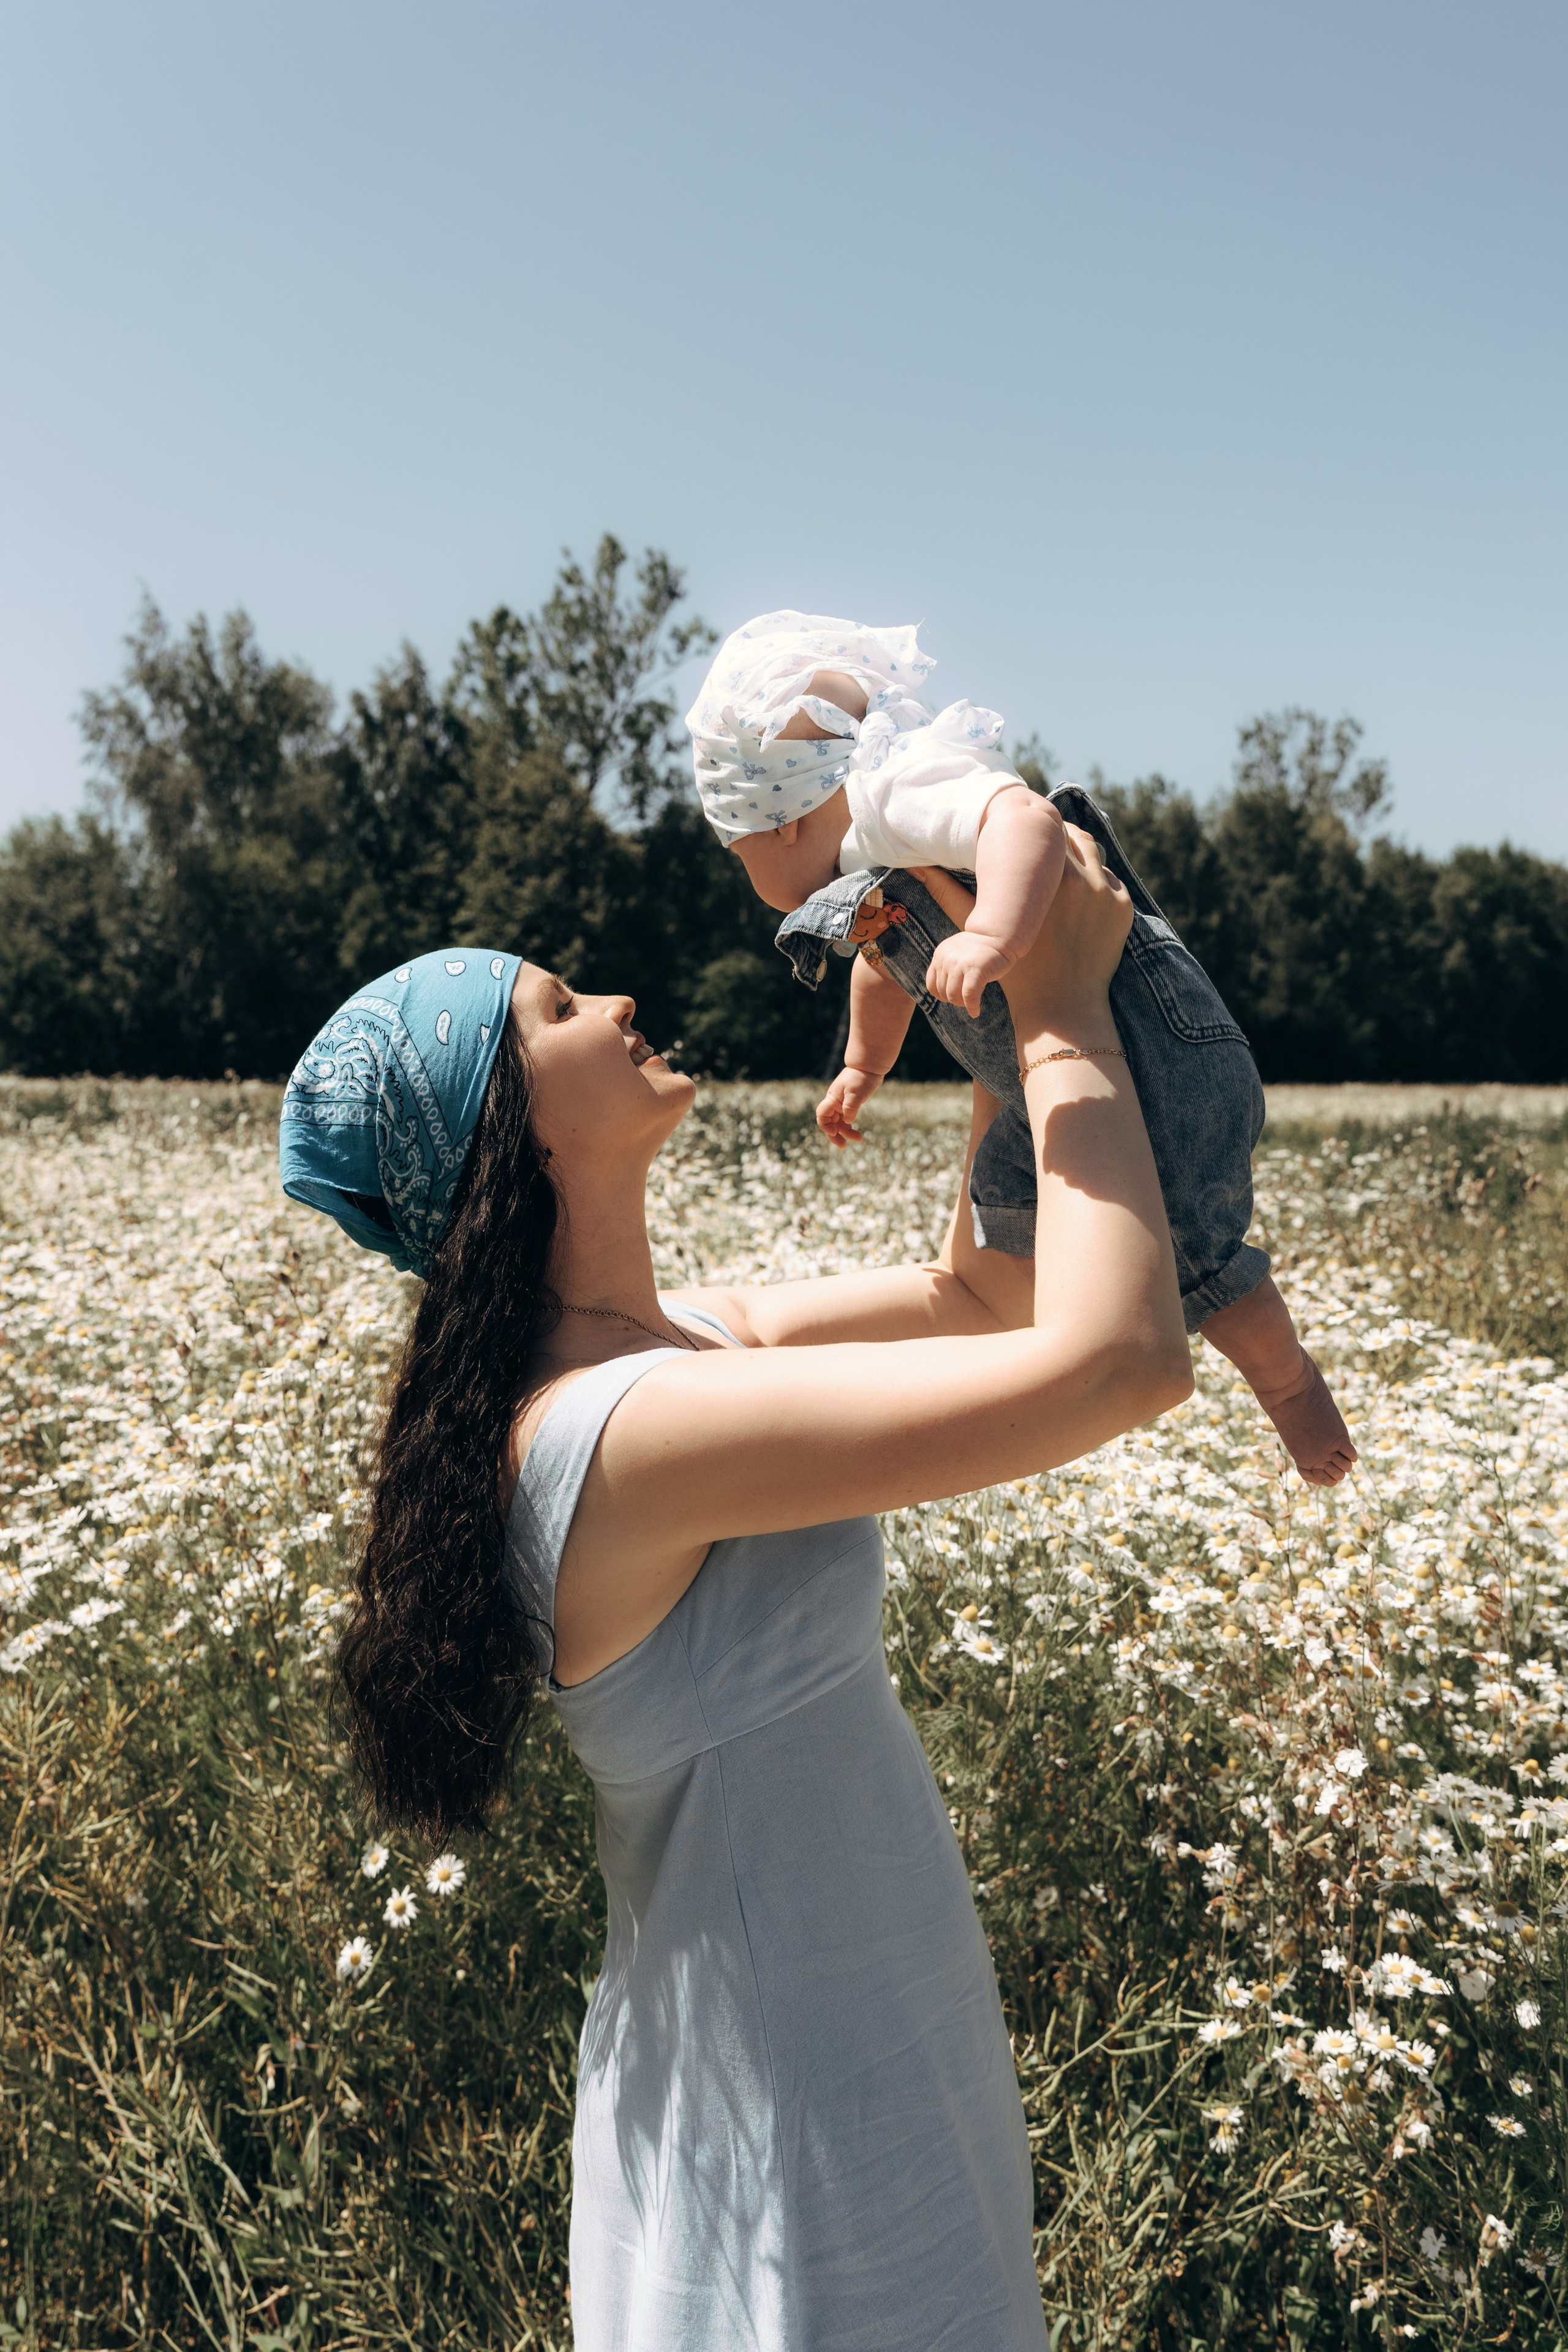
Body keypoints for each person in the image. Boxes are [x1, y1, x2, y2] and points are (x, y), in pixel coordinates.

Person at [279, 833, 1191, 2350]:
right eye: (561, 1009)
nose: (618, 1002)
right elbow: (1114, 1362)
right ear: (508, 1133)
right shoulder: (615, 1438)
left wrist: (971, 1007)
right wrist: (1057, 1008)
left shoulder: (683, 1347)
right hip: (789, 2091)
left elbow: (992, 1298)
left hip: (851, 2008)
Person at [685, 608, 1356, 1488]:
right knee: (1005, 1204)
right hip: (1049, 1068)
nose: (751, 878)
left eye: (736, 855)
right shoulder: (869, 858)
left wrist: (996, 937)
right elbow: (884, 968)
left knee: (1199, 1253)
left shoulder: (896, 790)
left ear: (778, 824)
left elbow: (1025, 823)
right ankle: (1056, 1349)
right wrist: (862, 1066)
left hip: (1153, 1051)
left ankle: (1291, 1386)